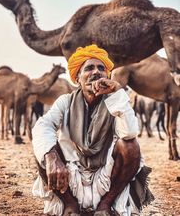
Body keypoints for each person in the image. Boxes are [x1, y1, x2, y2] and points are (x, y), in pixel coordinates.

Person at [32, 44, 154, 216]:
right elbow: (43, 125)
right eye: (89, 68)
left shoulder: (114, 101)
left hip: (106, 179)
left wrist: (117, 92)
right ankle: (70, 205)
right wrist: (52, 156)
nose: (96, 72)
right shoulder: (65, 102)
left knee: (131, 146)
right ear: (77, 78)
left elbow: (130, 132)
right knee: (44, 150)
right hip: (70, 181)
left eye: (101, 68)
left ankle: (105, 205)